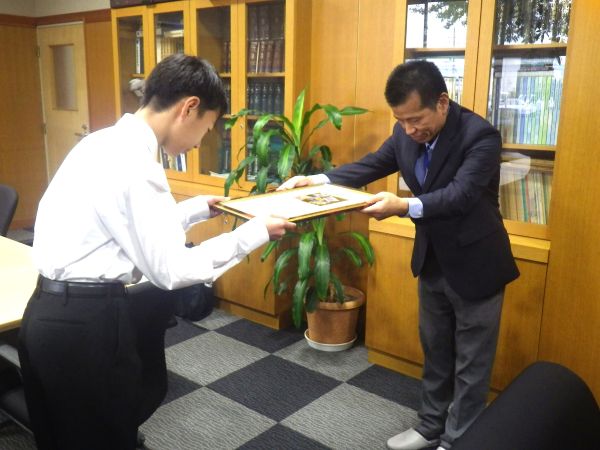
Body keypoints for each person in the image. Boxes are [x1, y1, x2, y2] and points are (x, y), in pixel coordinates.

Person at [18, 54, 296, 450]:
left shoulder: (100, 143)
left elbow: (120, 227)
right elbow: (171, 270)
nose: (200, 143)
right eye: (208, 128)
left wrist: (196, 209)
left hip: (44, 315)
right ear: (189, 108)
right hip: (87, 326)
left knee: (59, 438)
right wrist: (254, 234)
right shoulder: (137, 165)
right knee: (104, 439)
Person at [278, 60, 519, 450]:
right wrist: (319, 179)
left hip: (477, 263)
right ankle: (430, 426)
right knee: (435, 350)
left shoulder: (480, 136)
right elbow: (372, 164)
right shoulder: (404, 132)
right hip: (433, 259)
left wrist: (404, 206)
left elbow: (460, 195)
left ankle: (456, 440)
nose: (408, 130)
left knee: (472, 363)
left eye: (415, 119)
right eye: (401, 121)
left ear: (442, 102)